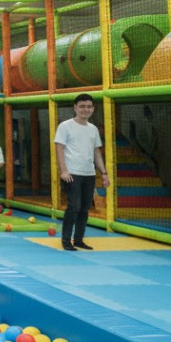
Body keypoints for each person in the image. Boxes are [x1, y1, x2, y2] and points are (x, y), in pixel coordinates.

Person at [54, 94, 108, 251]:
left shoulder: (93, 129)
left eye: (89, 106)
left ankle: (78, 239)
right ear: (75, 107)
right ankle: (66, 240)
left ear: (93, 108)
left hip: (89, 174)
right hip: (72, 173)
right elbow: (59, 147)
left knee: (85, 207)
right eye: (82, 106)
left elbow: (96, 152)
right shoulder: (65, 126)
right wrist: (63, 170)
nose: (86, 109)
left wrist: (103, 173)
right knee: (74, 205)